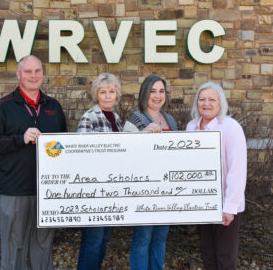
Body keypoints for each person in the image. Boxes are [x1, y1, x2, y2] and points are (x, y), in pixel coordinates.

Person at [0, 55, 67, 270]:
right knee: (14, 245)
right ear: (19, 75)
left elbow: (64, 144)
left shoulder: (53, 107)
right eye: (28, 71)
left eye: (37, 71)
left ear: (43, 75)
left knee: (43, 246)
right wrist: (20, 138)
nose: (33, 75)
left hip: (47, 191)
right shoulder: (4, 106)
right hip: (15, 190)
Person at [186, 82, 247, 270]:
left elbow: (237, 170)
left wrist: (229, 207)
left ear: (220, 103)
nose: (207, 103)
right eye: (202, 99)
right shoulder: (191, 127)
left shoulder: (231, 127)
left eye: (212, 99)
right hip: (203, 203)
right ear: (196, 103)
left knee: (225, 258)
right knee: (208, 255)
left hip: (226, 204)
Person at [124, 74, 177, 270]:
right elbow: (126, 153)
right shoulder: (135, 119)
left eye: (161, 91)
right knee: (143, 238)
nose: (157, 96)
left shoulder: (169, 119)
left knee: (161, 238)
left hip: (167, 190)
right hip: (144, 191)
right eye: (152, 91)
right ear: (145, 94)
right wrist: (143, 136)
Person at [77, 72, 123, 270]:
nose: (107, 96)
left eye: (111, 92)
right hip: (94, 191)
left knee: (104, 239)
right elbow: (82, 155)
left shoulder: (117, 119)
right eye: (103, 92)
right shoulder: (89, 117)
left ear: (117, 95)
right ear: (96, 95)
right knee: (93, 240)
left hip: (111, 190)